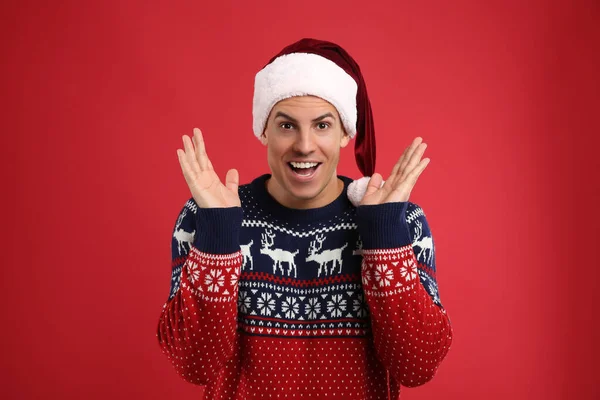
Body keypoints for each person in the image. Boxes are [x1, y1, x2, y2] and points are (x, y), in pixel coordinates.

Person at [156, 38, 453, 399]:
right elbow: (194, 364)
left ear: (346, 132)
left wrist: (384, 234)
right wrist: (219, 233)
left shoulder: (402, 223)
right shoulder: (206, 217)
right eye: (286, 126)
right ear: (263, 129)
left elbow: (416, 365)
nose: (305, 145)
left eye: (322, 125)